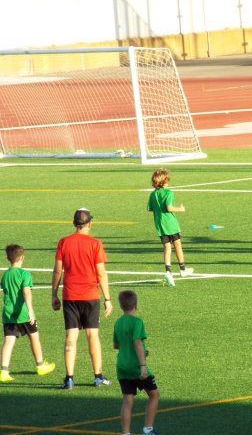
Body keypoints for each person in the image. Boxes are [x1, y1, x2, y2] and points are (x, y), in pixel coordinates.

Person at [51, 207, 112, 389]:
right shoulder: (95, 244)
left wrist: (53, 295)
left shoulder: (64, 242)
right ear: (90, 223)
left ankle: (69, 378)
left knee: (70, 337)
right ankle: (98, 377)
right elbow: (101, 273)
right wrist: (108, 298)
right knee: (92, 335)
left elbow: (57, 270)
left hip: (70, 296)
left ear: (74, 223)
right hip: (90, 296)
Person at [1, 245, 55, 382]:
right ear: (22, 258)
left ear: (8, 259)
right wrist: (30, 310)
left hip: (8, 313)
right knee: (34, 336)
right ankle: (40, 365)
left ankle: (4, 371)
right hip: (23, 313)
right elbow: (26, 292)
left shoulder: (5, 275)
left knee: (8, 340)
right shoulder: (24, 274)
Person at [114, 290, 159, 435]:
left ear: (121, 306)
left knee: (127, 400)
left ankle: (126, 432)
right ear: (136, 304)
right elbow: (137, 342)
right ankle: (148, 429)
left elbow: (116, 345)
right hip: (136, 367)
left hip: (122, 367)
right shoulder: (137, 322)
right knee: (154, 394)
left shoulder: (118, 322)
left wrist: (140, 351)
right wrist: (143, 366)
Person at [147, 168, 194, 287]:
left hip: (160, 225)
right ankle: (182, 269)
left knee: (167, 248)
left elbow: (149, 209)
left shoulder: (153, 194)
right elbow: (169, 208)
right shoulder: (168, 193)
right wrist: (180, 209)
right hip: (171, 224)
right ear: (165, 181)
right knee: (178, 245)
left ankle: (168, 272)